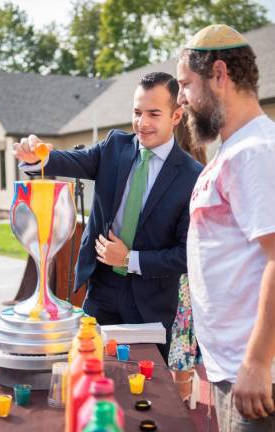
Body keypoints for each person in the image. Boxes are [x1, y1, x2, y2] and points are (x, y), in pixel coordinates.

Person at [13, 72, 203, 361]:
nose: (143, 123)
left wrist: (129, 259)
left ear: (176, 115)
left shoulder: (193, 176)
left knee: (147, 391)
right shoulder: (115, 147)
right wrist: (38, 158)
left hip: (151, 302)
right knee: (92, 369)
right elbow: (71, 160)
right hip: (101, 289)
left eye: (154, 113)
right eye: (137, 112)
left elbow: (185, 255)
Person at [176, 24, 275, 430]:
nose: (181, 98)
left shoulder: (256, 152)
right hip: (230, 369)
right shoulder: (231, 151)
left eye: (185, 84)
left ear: (219, 75)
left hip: (253, 376)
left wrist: (257, 360)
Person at [168, 119, 205, 402]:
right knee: (184, 335)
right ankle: (184, 395)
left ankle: (179, 399)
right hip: (193, 270)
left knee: (179, 332)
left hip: (175, 270)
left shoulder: (178, 174)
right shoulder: (203, 171)